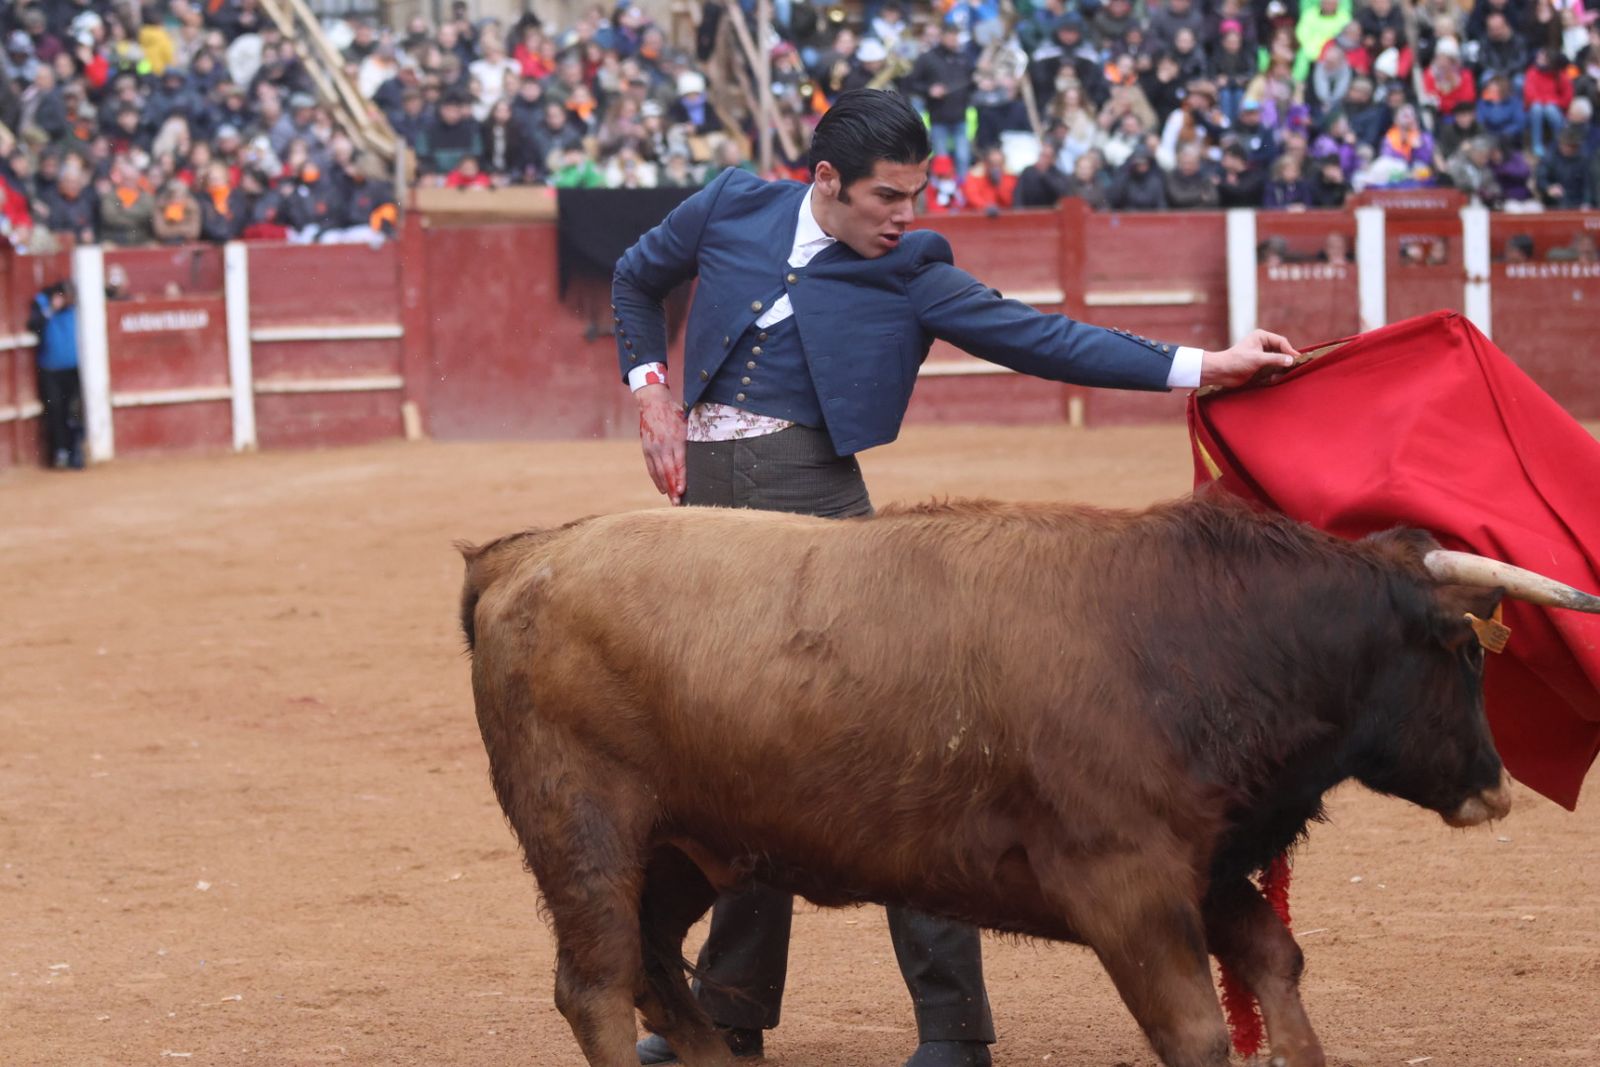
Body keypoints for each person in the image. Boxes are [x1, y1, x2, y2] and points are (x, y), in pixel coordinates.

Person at [611, 87, 1298, 1067]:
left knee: (897, 774)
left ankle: (951, 1024)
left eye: (918, 192)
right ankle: (727, 1009)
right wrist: (648, 390)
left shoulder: (913, 271)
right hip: (710, 524)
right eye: (888, 196)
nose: (908, 213)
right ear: (823, 183)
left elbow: (1044, 336)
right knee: (735, 762)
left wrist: (1203, 365)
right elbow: (635, 279)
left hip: (819, 518)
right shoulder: (729, 204)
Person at [28, 280, 83, 470]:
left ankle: (75, 452)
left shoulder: (77, 309)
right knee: (56, 411)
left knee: (73, 412)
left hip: (74, 369)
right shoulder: (43, 307)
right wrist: (51, 308)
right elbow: (33, 325)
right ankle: (60, 452)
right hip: (50, 370)